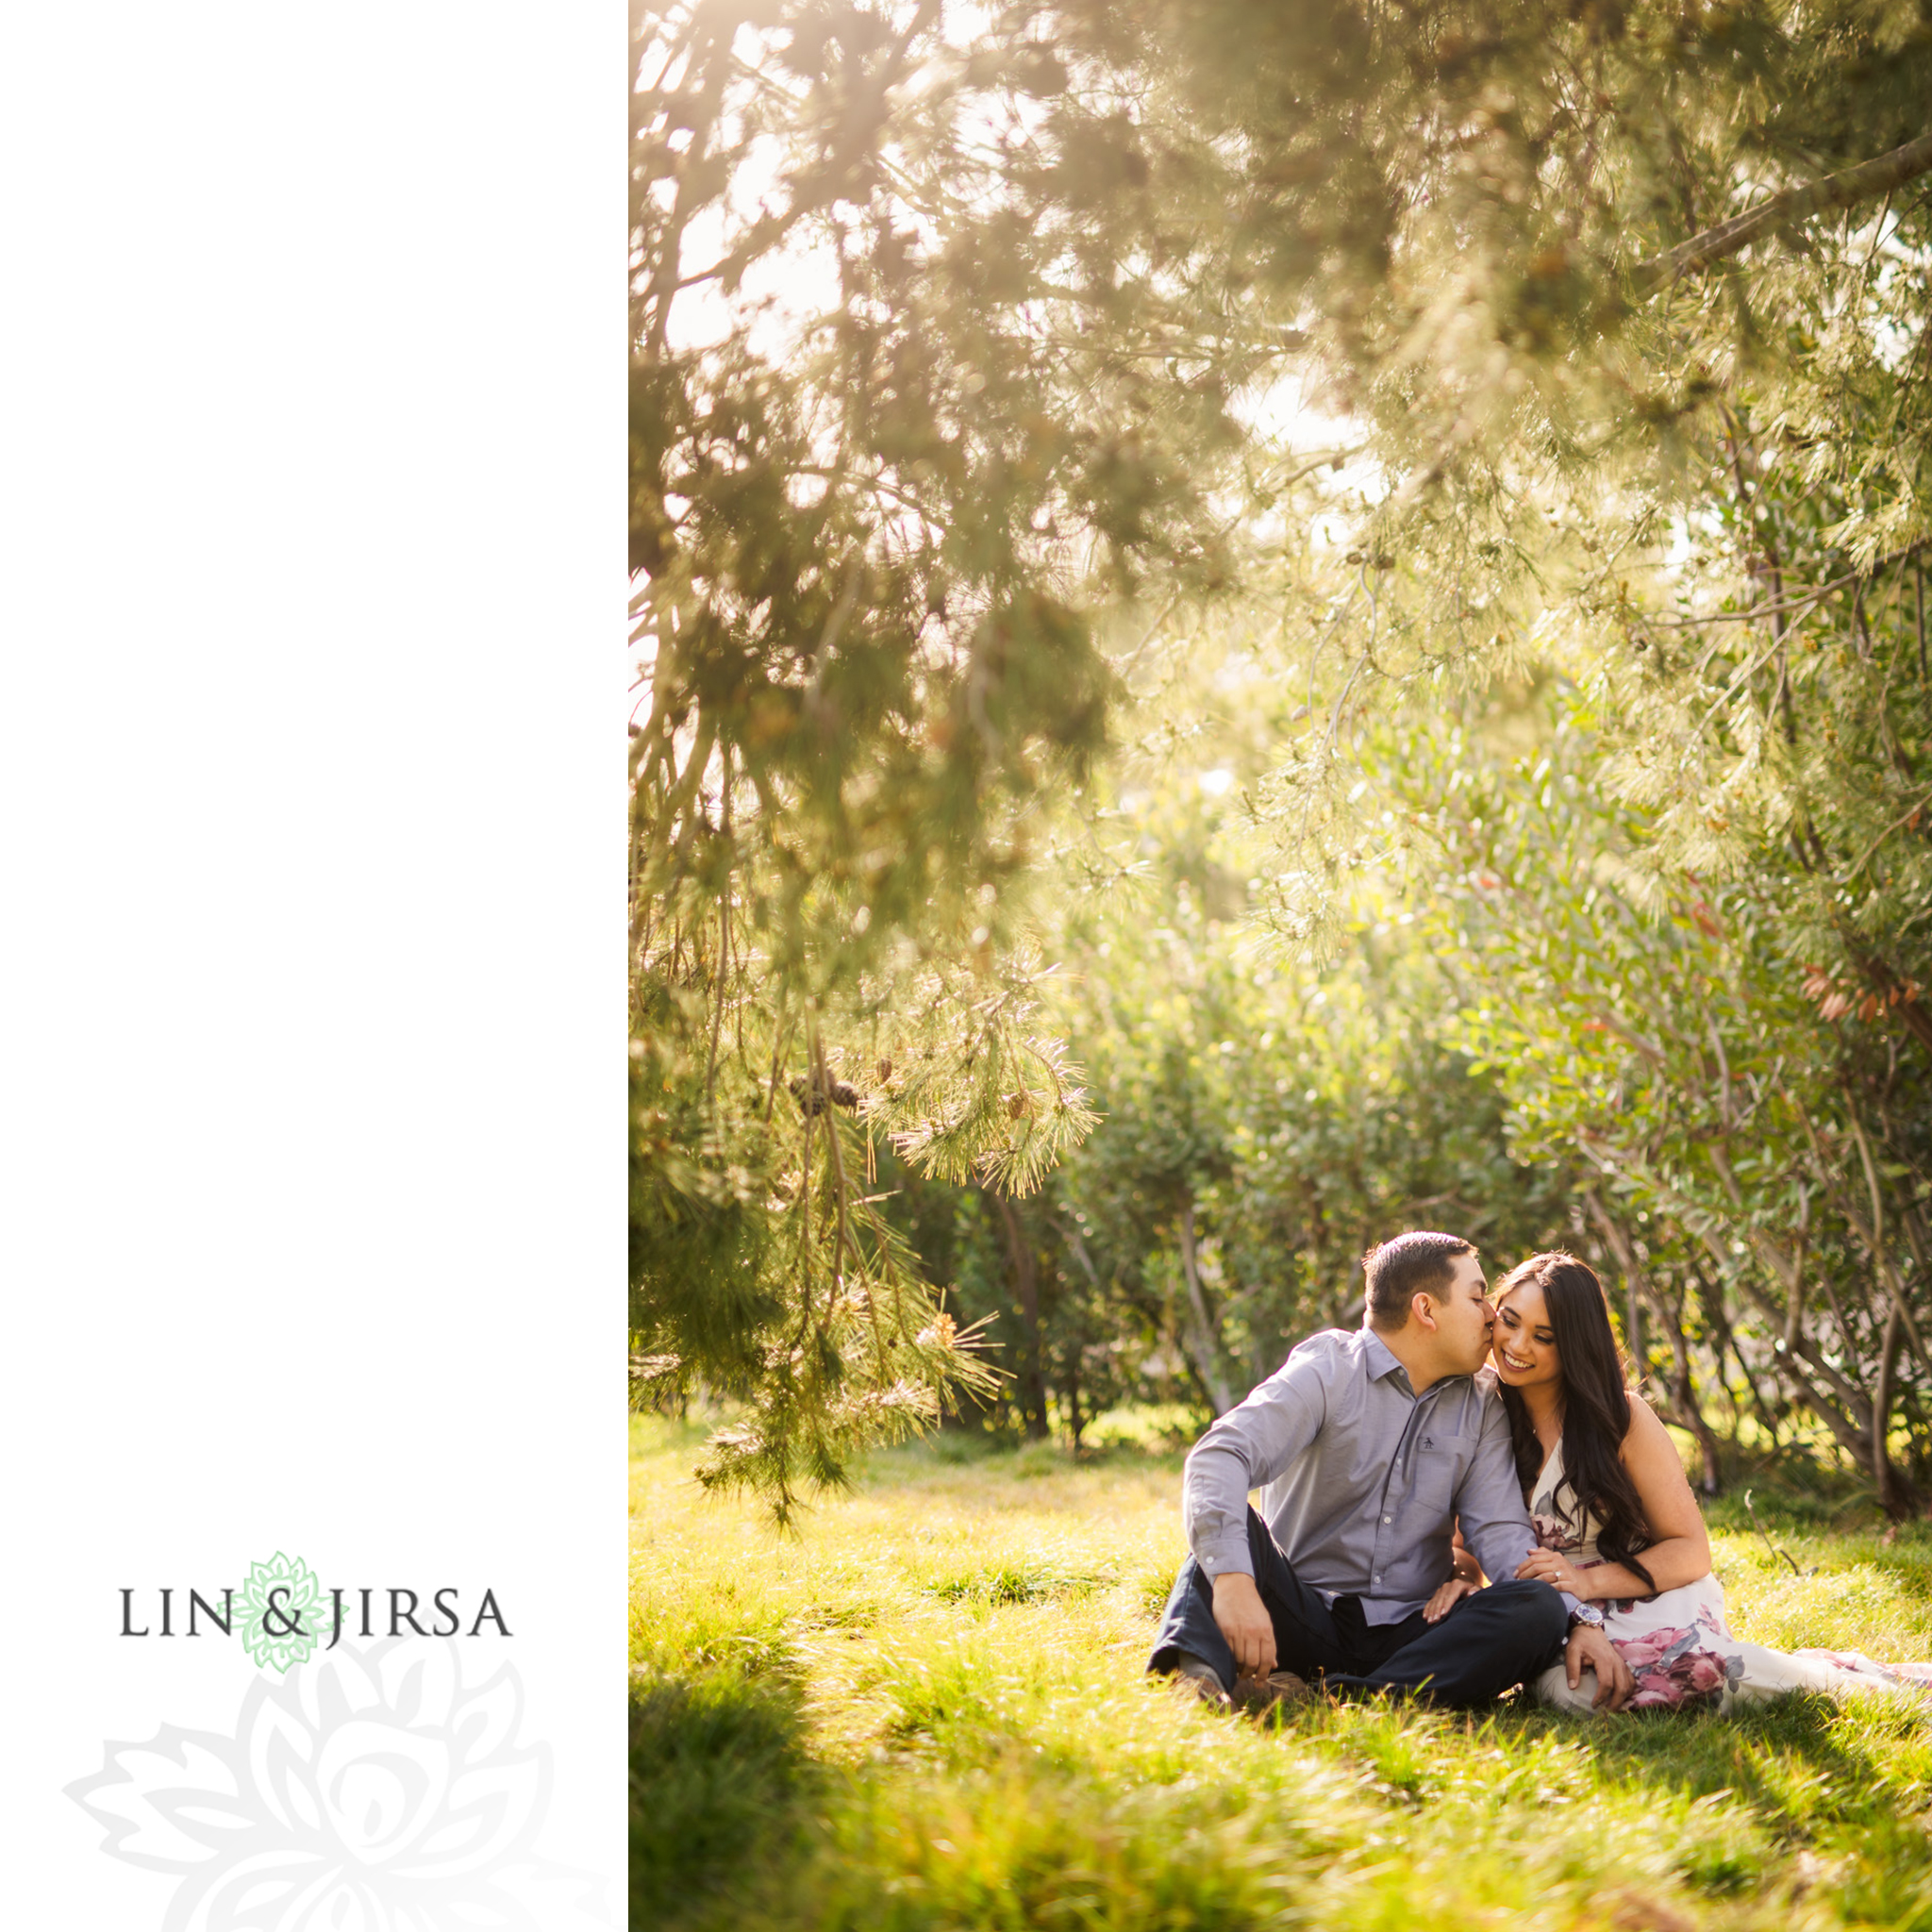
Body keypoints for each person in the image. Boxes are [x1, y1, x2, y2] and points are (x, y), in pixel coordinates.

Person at [1427, 1249, 1932, 1712]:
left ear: (1576, 1345)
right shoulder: (1478, 1411)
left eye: (1544, 1337)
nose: (1516, 1346)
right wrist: (1464, 1579)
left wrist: (1587, 1581)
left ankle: (1843, 1684)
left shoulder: (1620, 1418)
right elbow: (1470, 1541)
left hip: (1645, 1591)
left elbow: (1690, 1550)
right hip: (1550, 1612)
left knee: (1698, 1669)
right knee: (1571, 1694)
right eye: (1509, 1322)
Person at [1148, 1230, 1635, 1710]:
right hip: (1301, 1615)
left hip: (1414, 1631)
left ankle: (1340, 1695)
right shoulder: (1329, 1370)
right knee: (1225, 1542)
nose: (1492, 1316)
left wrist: (1579, 1621)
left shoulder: (1483, 1401)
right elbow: (1220, 1456)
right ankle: (1195, 1682)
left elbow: (1501, 1534)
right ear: (1426, 1310)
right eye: (1478, 1296)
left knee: (1535, 1609)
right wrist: (1235, 1582)